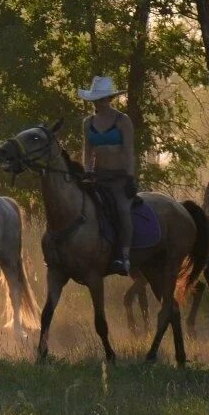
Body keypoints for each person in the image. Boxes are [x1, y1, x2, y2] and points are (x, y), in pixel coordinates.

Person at [79, 75, 137, 276]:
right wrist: (87, 172)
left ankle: (125, 256)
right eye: (96, 99)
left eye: (102, 99)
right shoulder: (88, 123)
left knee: (122, 209)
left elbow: (129, 151)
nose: (98, 103)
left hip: (119, 178)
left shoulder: (123, 121)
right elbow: (87, 151)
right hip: (98, 177)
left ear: (109, 99)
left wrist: (130, 177)